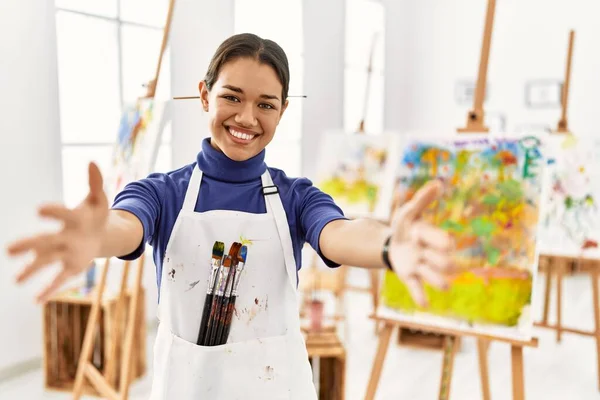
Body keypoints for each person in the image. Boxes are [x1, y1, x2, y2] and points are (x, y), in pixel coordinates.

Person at [6, 33, 454, 399]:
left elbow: (338, 232)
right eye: (232, 97)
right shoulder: (164, 192)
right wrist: (97, 236)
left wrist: (389, 245)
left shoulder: (296, 197)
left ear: (282, 110)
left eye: (266, 104)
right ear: (205, 95)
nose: (247, 117)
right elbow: (127, 225)